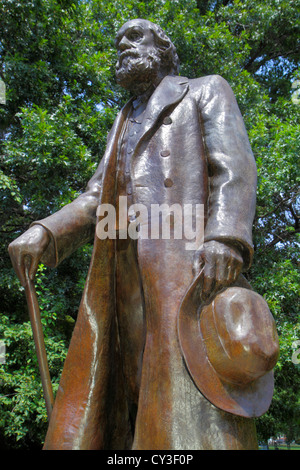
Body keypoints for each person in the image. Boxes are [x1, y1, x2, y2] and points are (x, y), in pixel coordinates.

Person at [8, 19, 278, 450]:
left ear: (163, 48)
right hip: (123, 283)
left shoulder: (204, 90)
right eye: (118, 43)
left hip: (184, 272)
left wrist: (225, 236)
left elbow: (235, 167)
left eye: (135, 37)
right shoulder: (122, 119)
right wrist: (45, 231)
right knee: (130, 396)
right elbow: (96, 197)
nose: (123, 45)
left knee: (184, 405)